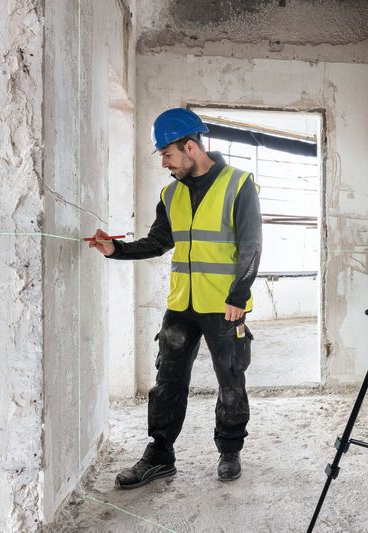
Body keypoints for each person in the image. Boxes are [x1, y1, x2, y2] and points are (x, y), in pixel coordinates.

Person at [88, 108, 262, 487]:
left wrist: (239, 294)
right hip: (181, 305)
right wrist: (115, 251)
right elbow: (158, 242)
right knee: (167, 380)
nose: (164, 163)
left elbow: (250, 244)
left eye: (167, 154)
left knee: (230, 378)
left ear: (189, 146)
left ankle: (230, 449)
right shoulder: (170, 194)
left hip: (224, 306)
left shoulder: (238, 184)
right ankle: (160, 454)